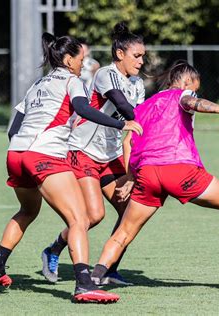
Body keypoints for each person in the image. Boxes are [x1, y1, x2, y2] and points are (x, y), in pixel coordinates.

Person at [88, 61, 219, 292]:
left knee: (124, 232)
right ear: (186, 82)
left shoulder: (145, 105)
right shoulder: (182, 94)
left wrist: (131, 176)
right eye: (194, 88)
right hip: (179, 170)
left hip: (148, 173)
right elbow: (191, 102)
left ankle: (95, 278)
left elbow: (129, 140)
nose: (194, 92)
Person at [0, 32, 143, 303]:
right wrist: (121, 124)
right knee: (79, 220)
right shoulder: (72, 80)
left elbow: (14, 128)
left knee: (27, 211)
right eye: (81, 60)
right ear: (69, 60)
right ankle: (84, 284)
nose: (84, 65)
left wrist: (24, 154)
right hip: (45, 155)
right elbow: (83, 109)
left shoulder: (37, 84)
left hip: (16, 153)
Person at [41, 22, 145, 286]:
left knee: (129, 211)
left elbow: (138, 126)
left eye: (143, 56)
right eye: (137, 55)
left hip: (110, 155)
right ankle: (53, 250)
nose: (142, 61)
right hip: (83, 150)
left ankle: (108, 269)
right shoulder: (105, 75)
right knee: (94, 215)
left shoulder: (138, 84)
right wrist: (146, 120)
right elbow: (123, 106)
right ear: (120, 54)